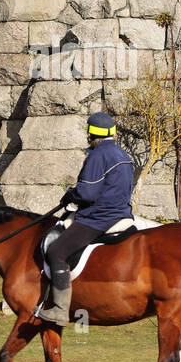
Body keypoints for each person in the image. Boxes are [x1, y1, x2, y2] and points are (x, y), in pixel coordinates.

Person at [38, 111, 134, 326]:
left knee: (56, 251)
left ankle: (60, 310)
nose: (88, 139)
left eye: (88, 134)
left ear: (93, 134)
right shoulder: (124, 155)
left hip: (98, 218)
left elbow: (88, 193)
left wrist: (72, 194)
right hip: (121, 213)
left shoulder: (97, 155)